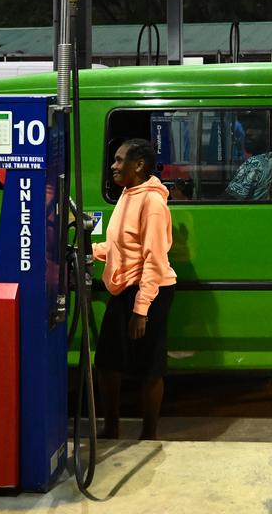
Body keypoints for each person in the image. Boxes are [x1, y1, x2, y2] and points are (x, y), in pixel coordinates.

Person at [93, 139, 177, 440]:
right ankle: (112, 428)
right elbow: (123, 244)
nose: (113, 166)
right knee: (107, 363)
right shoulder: (128, 194)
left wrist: (141, 310)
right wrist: (91, 251)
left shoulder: (152, 202)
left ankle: (148, 436)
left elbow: (154, 258)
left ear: (138, 165)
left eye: (119, 160)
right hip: (124, 288)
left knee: (149, 368)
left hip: (149, 290)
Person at [225, 113, 272, 200]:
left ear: (269, 132)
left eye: (256, 127)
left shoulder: (255, 164)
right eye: (246, 127)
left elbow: (228, 200)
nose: (248, 132)